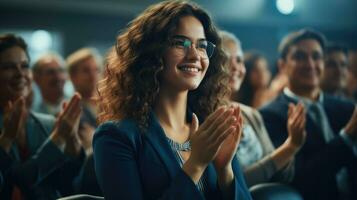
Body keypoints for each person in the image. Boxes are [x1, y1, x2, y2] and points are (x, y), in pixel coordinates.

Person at [93, 1, 252, 200]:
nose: (195, 55)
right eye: (180, 43)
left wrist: (224, 169)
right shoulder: (117, 136)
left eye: (201, 46)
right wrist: (195, 165)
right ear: (152, 52)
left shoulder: (210, 129)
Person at [259, 29, 357, 200]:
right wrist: (347, 136)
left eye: (316, 56)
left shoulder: (348, 109)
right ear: (282, 65)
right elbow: (299, 177)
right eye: (300, 57)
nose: (310, 64)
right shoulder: (270, 115)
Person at [0, 33, 84, 199]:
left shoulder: (48, 123)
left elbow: (67, 184)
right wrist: (58, 138)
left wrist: (73, 142)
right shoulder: (56, 130)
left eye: (24, 66)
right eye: (9, 67)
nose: (20, 74)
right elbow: (18, 179)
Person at [220, 30, 306, 187]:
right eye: (226, 59)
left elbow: (283, 176)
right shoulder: (201, 117)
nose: (235, 67)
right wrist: (290, 147)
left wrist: (292, 145)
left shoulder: (251, 114)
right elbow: (232, 186)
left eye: (239, 60)